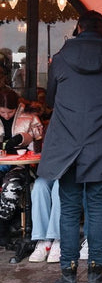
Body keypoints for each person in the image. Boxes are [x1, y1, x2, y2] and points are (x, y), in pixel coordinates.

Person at [37, 11, 102, 283]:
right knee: (98, 208)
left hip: (67, 143)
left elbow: (51, 99)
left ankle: (67, 278)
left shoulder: (61, 57)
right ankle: (94, 276)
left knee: (68, 209)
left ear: (78, 28)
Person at [0, 87, 43, 248]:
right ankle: (11, 221)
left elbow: (40, 147)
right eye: (2, 112)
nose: (5, 116)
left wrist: (26, 139)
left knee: (11, 185)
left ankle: (3, 226)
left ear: (17, 107)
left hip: (22, 166)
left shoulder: (30, 118)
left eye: (9, 112)